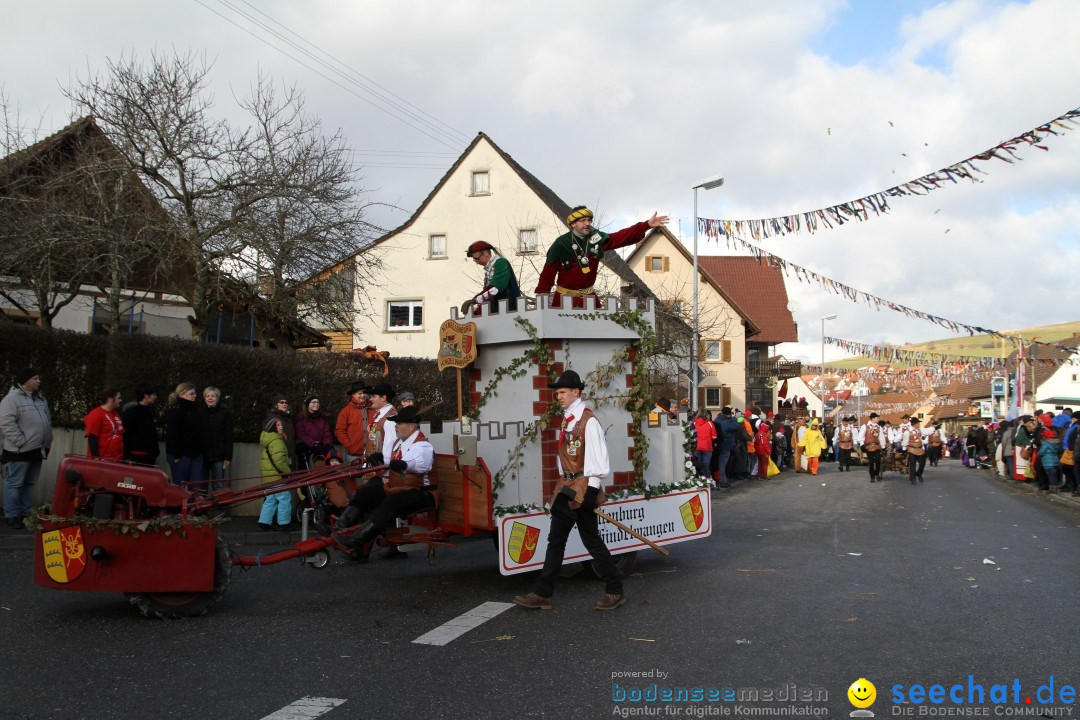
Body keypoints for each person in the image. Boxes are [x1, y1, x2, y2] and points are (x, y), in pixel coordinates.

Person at [514, 370, 626, 611]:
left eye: (563, 392)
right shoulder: (568, 419)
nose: (559, 396)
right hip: (566, 487)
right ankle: (543, 594)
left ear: (577, 392)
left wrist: (591, 494)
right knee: (556, 539)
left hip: (582, 488)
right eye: (557, 393)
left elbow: (598, 462)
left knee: (591, 541)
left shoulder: (589, 422)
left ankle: (615, 590)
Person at [333, 405, 437, 561]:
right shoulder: (401, 443)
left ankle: (356, 540)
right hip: (400, 487)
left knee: (392, 502)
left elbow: (418, 462)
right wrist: (379, 458)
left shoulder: (423, 445)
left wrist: (404, 464)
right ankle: (340, 528)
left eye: (399, 423)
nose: (395, 426)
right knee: (368, 491)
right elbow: (392, 460)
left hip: (421, 492)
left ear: (411, 426)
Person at [534, 206, 668, 306]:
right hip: (563, 299)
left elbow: (620, 237)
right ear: (573, 224)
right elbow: (548, 274)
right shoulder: (561, 243)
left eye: (589, 220)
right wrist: (542, 300)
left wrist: (646, 225)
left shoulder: (595, 239)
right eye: (583, 220)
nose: (587, 224)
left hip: (589, 299)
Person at [0, 368, 52, 530]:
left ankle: (25, 514)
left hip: (38, 449)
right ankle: (12, 515)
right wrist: (20, 442)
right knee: (15, 484)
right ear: (25, 381)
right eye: (35, 378)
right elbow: (6, 423)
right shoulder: (11, 400)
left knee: (29, 483)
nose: (38, 381)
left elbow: (46, 420)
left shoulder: (40, 398)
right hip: (19, 451)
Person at [461, 241, 521, 315]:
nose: (476, 262)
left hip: (509, 311)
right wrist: (475, 312)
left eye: (477, 258)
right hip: (498, 312)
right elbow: (488, 297)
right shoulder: (488, 271)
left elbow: (495, 289)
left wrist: (474, 300)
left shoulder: (501, 263)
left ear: (486, 253)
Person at [164, 382, 204, 487]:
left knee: (195, 485)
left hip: (195, 453)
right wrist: (177, 455)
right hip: (181, 454)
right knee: (179, 485)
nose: (194, 396)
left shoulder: (196, 409)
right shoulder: (175, 409)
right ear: (182, 394)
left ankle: (192, 503)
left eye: (195, 393)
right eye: (191, 394)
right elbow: (173, 433)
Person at [258, 418, 293, 531]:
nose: (281, 427)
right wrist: (288, 472)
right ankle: (284, 524)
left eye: (281, 424)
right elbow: (279, 461)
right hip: (278, 478)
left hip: (269, 478)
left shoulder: (269, 441)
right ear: (273, 428)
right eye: (278, 425)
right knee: (284, 499)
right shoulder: (277, 441)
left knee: (270, 500)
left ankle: (264, 523)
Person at [200, 386, 234, 497]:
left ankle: (218, 513)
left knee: (218, 486)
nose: (210, 398)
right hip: (202, 455)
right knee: (201, 486)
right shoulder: (199, 412)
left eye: (213, 396)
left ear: (217, 398)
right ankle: (200, 512)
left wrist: (228, 456)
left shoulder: (225, 413)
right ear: (204, 398)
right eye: (207, 396)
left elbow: (229, 436)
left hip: (219, 456)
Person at [121, 384, 159, 465]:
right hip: (135, 457)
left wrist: (155, 451)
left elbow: (152, 432)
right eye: (154, 395)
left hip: (150, 456)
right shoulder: (131, 412)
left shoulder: (151, 411)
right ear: (146, 396)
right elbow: (125, 434)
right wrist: (126, 456)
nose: (156, 397)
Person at [84, 388, 124, 461]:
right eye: (118, 398)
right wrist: (96, 458)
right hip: (102, 462)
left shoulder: (116, 414)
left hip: (116, 461)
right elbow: (92, 438)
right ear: (110, 399)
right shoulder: (96, 414)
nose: (120, 400)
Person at [336, 381, 372, 463]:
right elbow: (340, 431)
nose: (362, 395)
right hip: (354, 455)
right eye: (359, 393)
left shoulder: (373, 408)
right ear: (353, 395)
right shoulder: (346, 411)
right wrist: (350, 446)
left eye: (364, 393)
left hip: (371, 454)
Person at [295, 395, 334, 470]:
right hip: (307, 445)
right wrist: (312, 444)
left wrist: (327, 444)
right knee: (304, 455)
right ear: (308, 405)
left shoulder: (322, 419)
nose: (316, 404)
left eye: (317, 402)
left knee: (330, 454)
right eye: (313, 402)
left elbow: (327, 432)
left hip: (320, 444)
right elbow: (301, 434)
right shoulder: (301, 419)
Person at [363, 383, 397, 466]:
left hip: (380, 469)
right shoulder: (380, 415)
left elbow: (391, 446)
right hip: (373, 466)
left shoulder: (390, 418)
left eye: (374, 396)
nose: (371, 399)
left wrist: (384, 469)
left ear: (383, 398)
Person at [263, 394, 297, 469]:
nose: (284, 404)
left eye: (286, 402)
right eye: (281, 402)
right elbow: (266, 438)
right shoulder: (271, 418)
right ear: (276, 405)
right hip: (277, 456)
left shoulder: (289, 419)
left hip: (290, 456)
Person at [712, 406, 739, 488]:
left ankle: (719, 479)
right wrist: (734, 418)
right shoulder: (727, 423)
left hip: (717, 445)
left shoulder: (717, 420)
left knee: (717, 463)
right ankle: (723, 480)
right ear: (728, 414)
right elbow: (736, 426)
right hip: (726, 445)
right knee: (723, 464)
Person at [858, 413, 884, 483]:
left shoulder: (879, 427)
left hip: (877, 446)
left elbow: (881, 437)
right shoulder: (865, 426)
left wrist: (883, 446)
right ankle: (872, 476)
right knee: (871, 462)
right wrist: (862, 444)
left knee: (878, 460)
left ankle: (877, 474)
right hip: (869, 446)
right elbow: (861, 436)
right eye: (877, 418)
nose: (878, 419)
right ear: (872, 419)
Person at [902, 416, 928, 484]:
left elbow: (925, 434)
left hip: (920, 448)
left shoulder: (920, 430)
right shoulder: (908, 432)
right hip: (912, 449)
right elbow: (905, 441)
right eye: (918, 423)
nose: (919, 425)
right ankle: (913, 478)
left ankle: (919, 474)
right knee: (912, 464)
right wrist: (904, 449)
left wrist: (934, 428)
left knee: (922, 463)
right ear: (915, 424)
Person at [693, 409, 715, 479]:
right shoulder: (710, 423)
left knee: (696, 467)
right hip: (707, 447)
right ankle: (706, 482)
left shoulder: (694, 423)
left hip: (697, 447)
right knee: (706, 467)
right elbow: (714, 436)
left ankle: (697, 481)